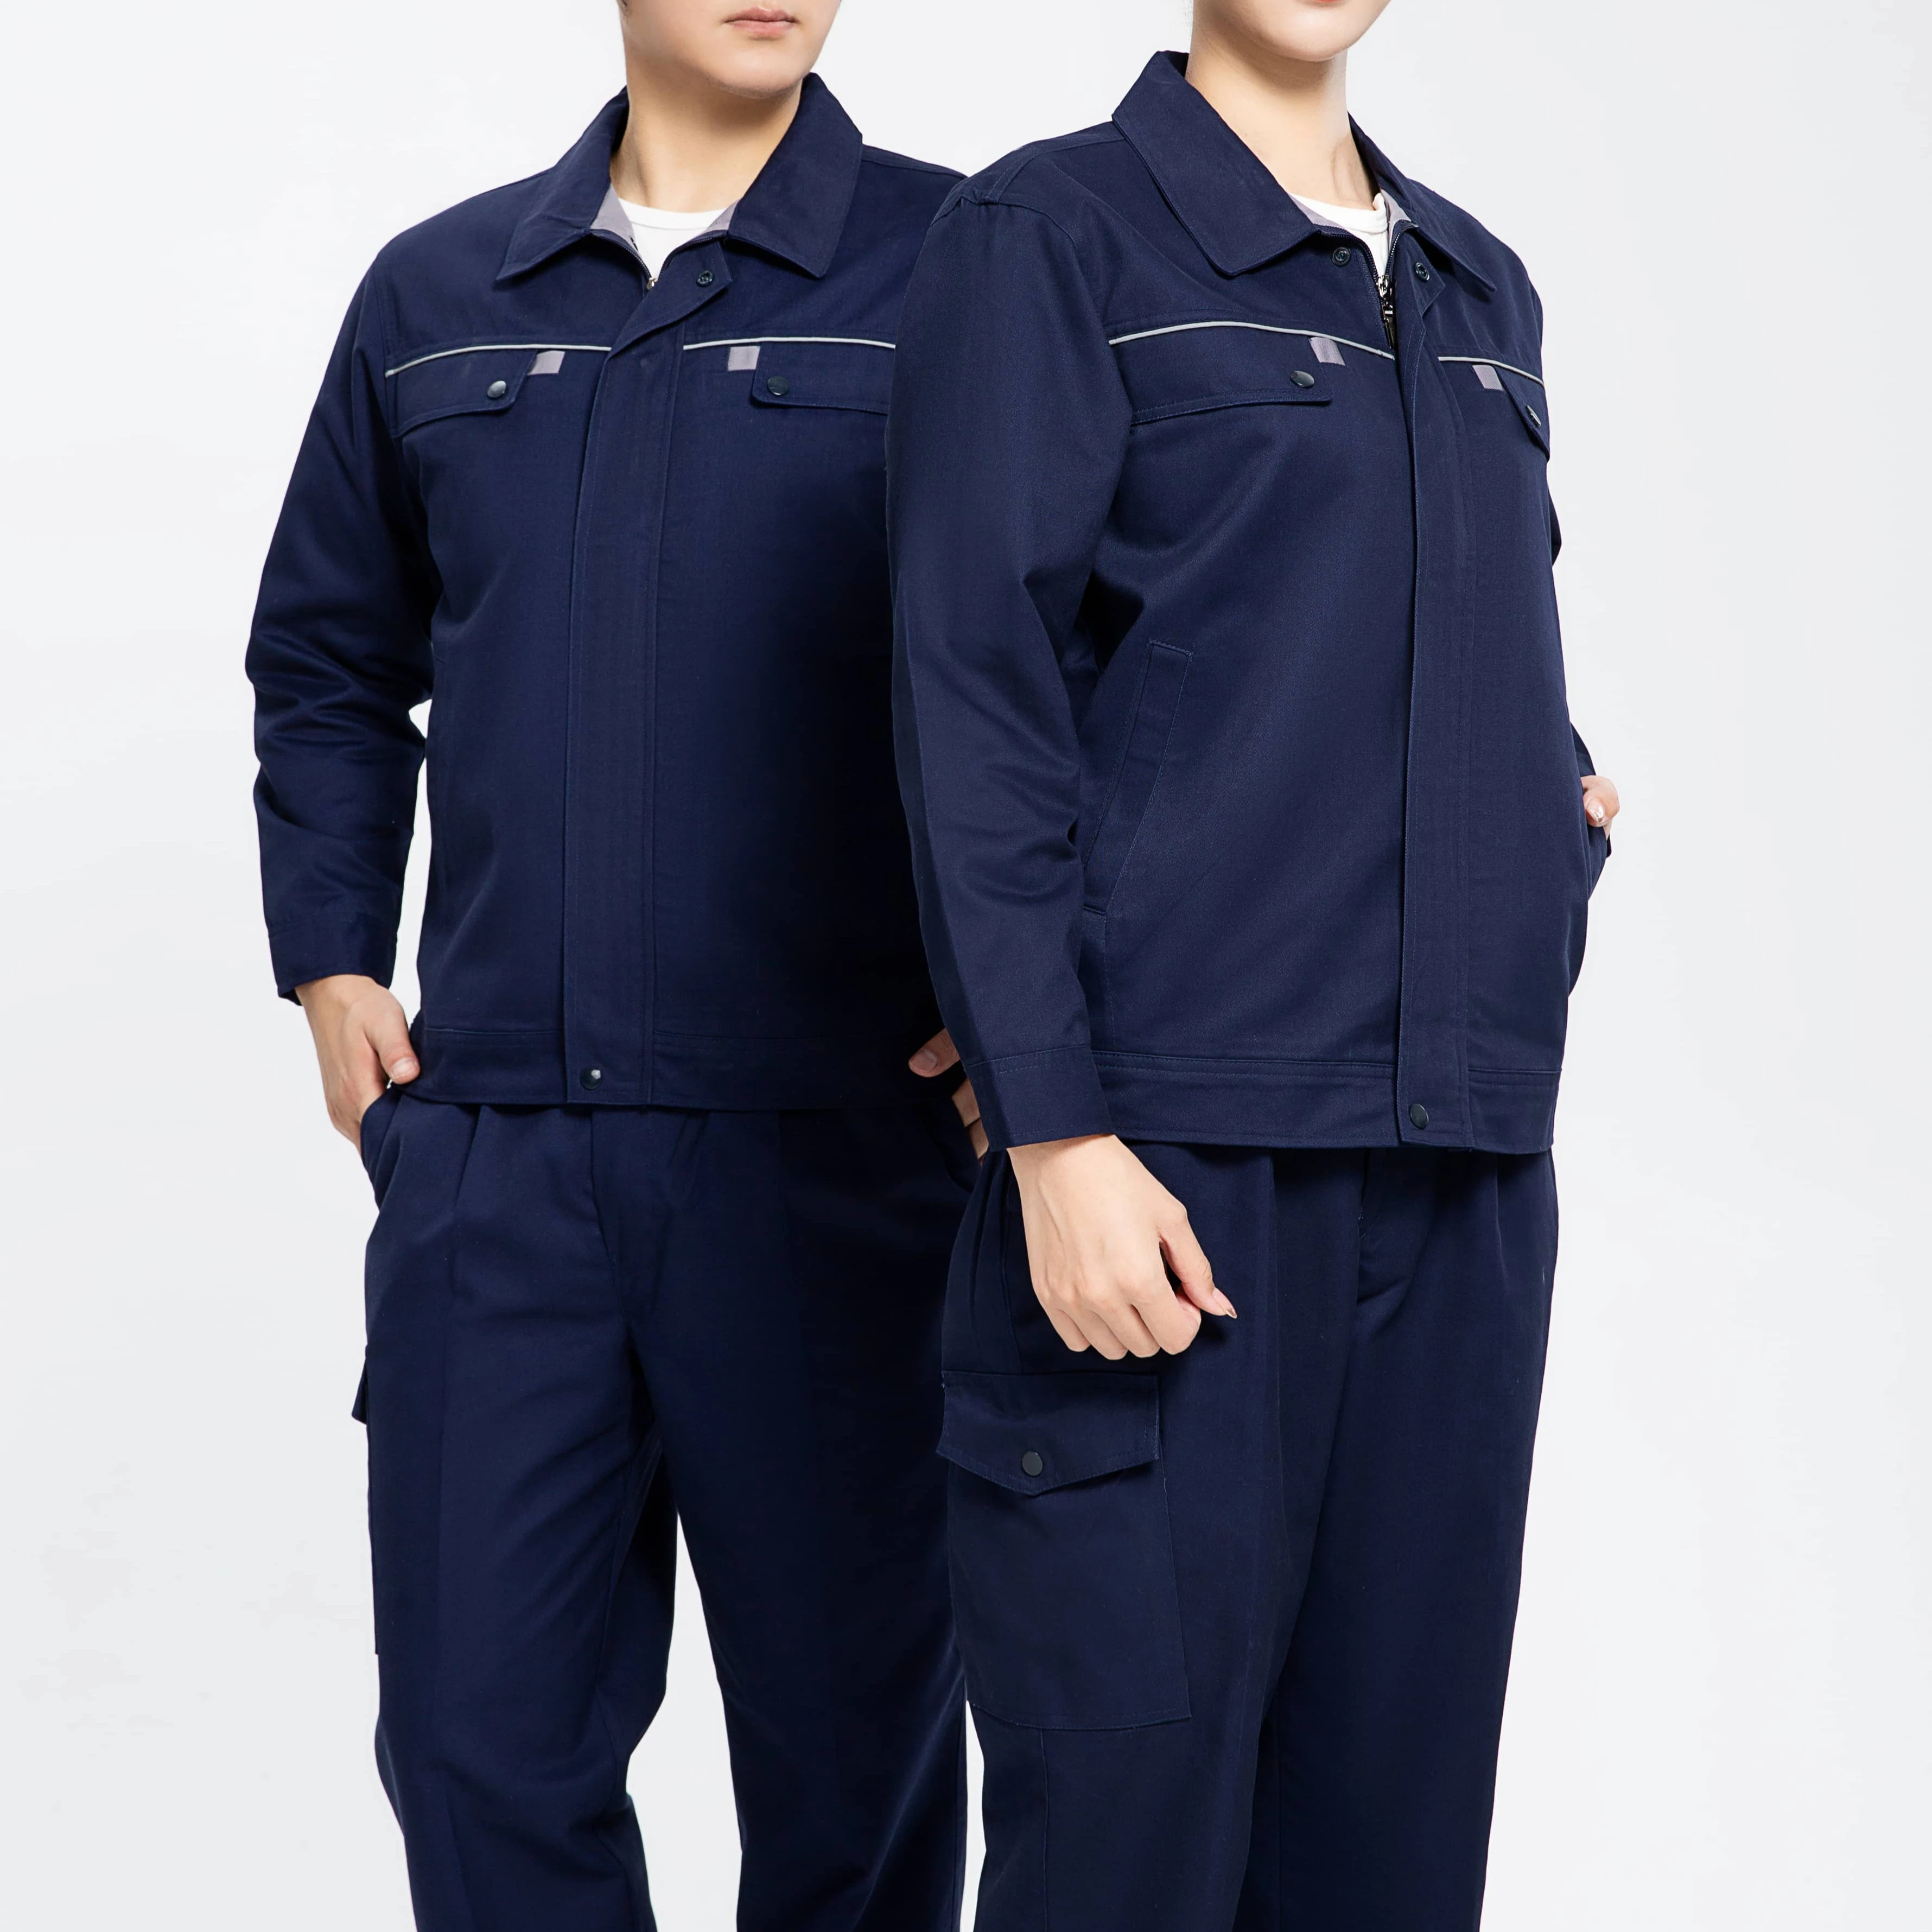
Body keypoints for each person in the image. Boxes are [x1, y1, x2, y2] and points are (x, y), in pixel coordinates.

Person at [888, 3, 1620, 1927]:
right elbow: (973, 695)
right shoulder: (1049, 232)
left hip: (1463, 1174)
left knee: (1389, 1856)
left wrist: (1554, 829)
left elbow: (1451, 639)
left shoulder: (1477, 283)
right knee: (1122, 1851)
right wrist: (1055, 1132)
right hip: (1170, 1171)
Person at [247, 5, 980, 1927]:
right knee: (478, 1756)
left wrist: (1034, 1004)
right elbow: (328, 656)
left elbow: (1115, 639)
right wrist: (333, 962)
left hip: (841, 1156)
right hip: (496, 1161)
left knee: (857, 1780)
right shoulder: (437, 296)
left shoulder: (968, 265)